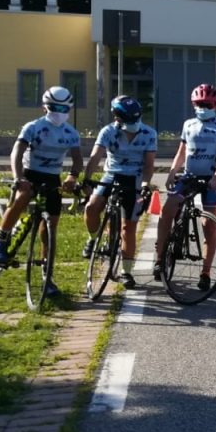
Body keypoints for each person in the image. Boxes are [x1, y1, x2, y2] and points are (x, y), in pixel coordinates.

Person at [0, 86, 84, 298]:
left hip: (52, 178)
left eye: (63, 107)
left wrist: (72, 176)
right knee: (23, 197)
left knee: (50, 228)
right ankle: (0, 240)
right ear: (44, 107)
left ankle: (47, 277)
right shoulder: (33, 127)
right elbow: (17, 152)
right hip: (30, 173)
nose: (59, 111)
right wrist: (18, 177)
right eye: (54, 107)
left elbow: (77, 159)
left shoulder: (71, 133)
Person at [153, 84, 216, 290]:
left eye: (207, 104)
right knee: (167, 210)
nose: (203, 107)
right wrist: (171, 172)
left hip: (211, 179)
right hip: (188, 176)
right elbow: (181, 152)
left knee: (209, 225)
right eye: (199, 104)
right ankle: (160, 257)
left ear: (215, 105)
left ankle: (205, 272)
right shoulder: (188, 124)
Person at [80, 96, 157, 289]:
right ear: (117, 117)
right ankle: (93, 239)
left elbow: (149, 165)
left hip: (134, 179)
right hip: (111, 175)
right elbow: (95, 156)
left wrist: (146, 185)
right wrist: (87, 180)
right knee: (91, 207)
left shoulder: (148, 133)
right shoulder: (108, 131)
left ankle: (126, 271)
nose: (133, 124)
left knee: (127, 228)